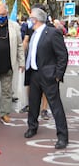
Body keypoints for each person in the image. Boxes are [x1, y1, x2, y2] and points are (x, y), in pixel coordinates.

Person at [24, 8, 69, 149]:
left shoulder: (52, 33)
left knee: (55, 106)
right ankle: (32, 127)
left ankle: (62, 136)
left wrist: (58, 75)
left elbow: (63, 55)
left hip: (49, 75)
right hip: (34, 74)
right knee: (33, 103)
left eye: (30, 18)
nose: (29, 20)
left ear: (35, 19)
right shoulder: (33, 33)